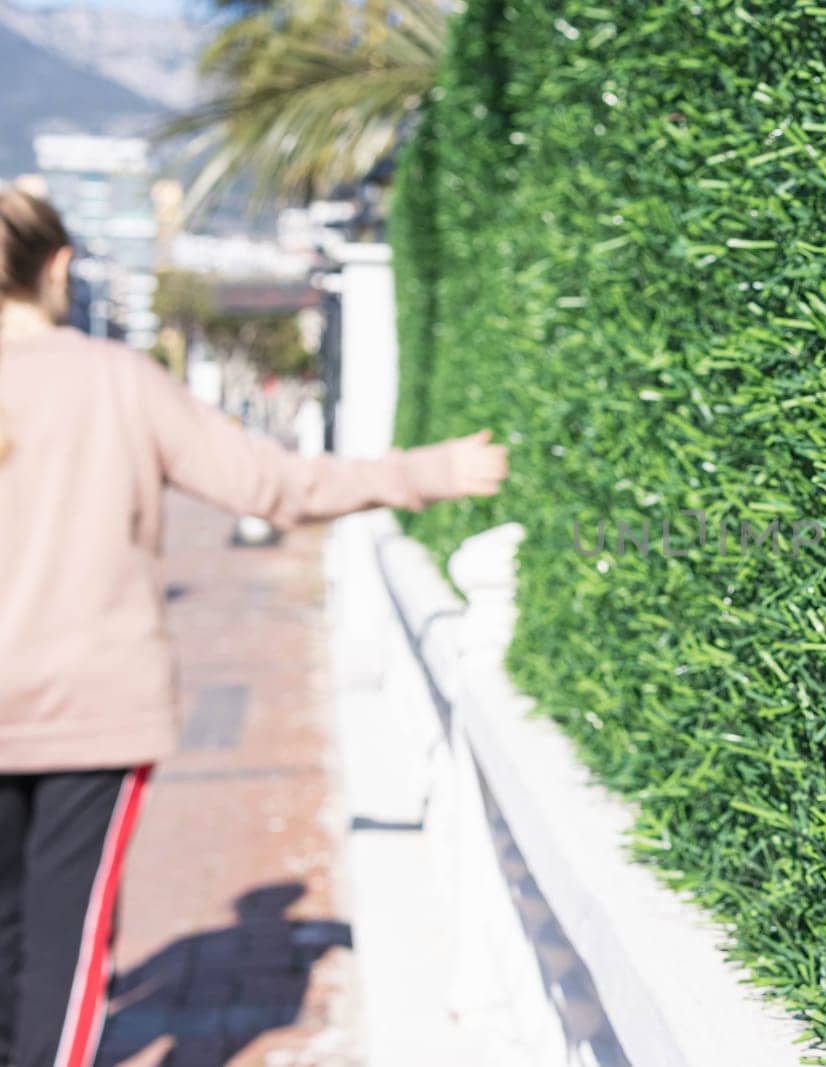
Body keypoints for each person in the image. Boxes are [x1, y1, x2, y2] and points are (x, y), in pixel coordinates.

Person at [0, 186, 509, 1067]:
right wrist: (429, 470)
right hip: (91, 708)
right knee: (66, 947)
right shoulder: (117, 382)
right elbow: (271, 487)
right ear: (59, 266)